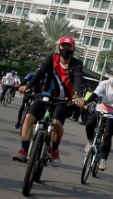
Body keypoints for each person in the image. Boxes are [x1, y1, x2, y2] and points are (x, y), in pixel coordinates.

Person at [15, 35, 85, 165]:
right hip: (45, 95)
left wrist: (80, 97)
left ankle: (54, 149)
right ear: (59, 46)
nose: (66, 49)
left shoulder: (77, 64)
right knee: (29, 117)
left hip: (63, 101)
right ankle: (24, 150)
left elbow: (79, 80)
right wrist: (27, 87)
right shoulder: (52, 58)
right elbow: (40, 73)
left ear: (73, 49)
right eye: (64, 46)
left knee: (57, 123)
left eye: (69, 47)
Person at [84, 62, 113, 169]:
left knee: (107, 135)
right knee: (89, 123)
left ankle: (103, 160)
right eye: (112, 75)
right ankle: (90, 141)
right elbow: (96, 94)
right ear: (109, 75)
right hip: (101, 109)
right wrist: (86, 102)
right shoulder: (104, 83)